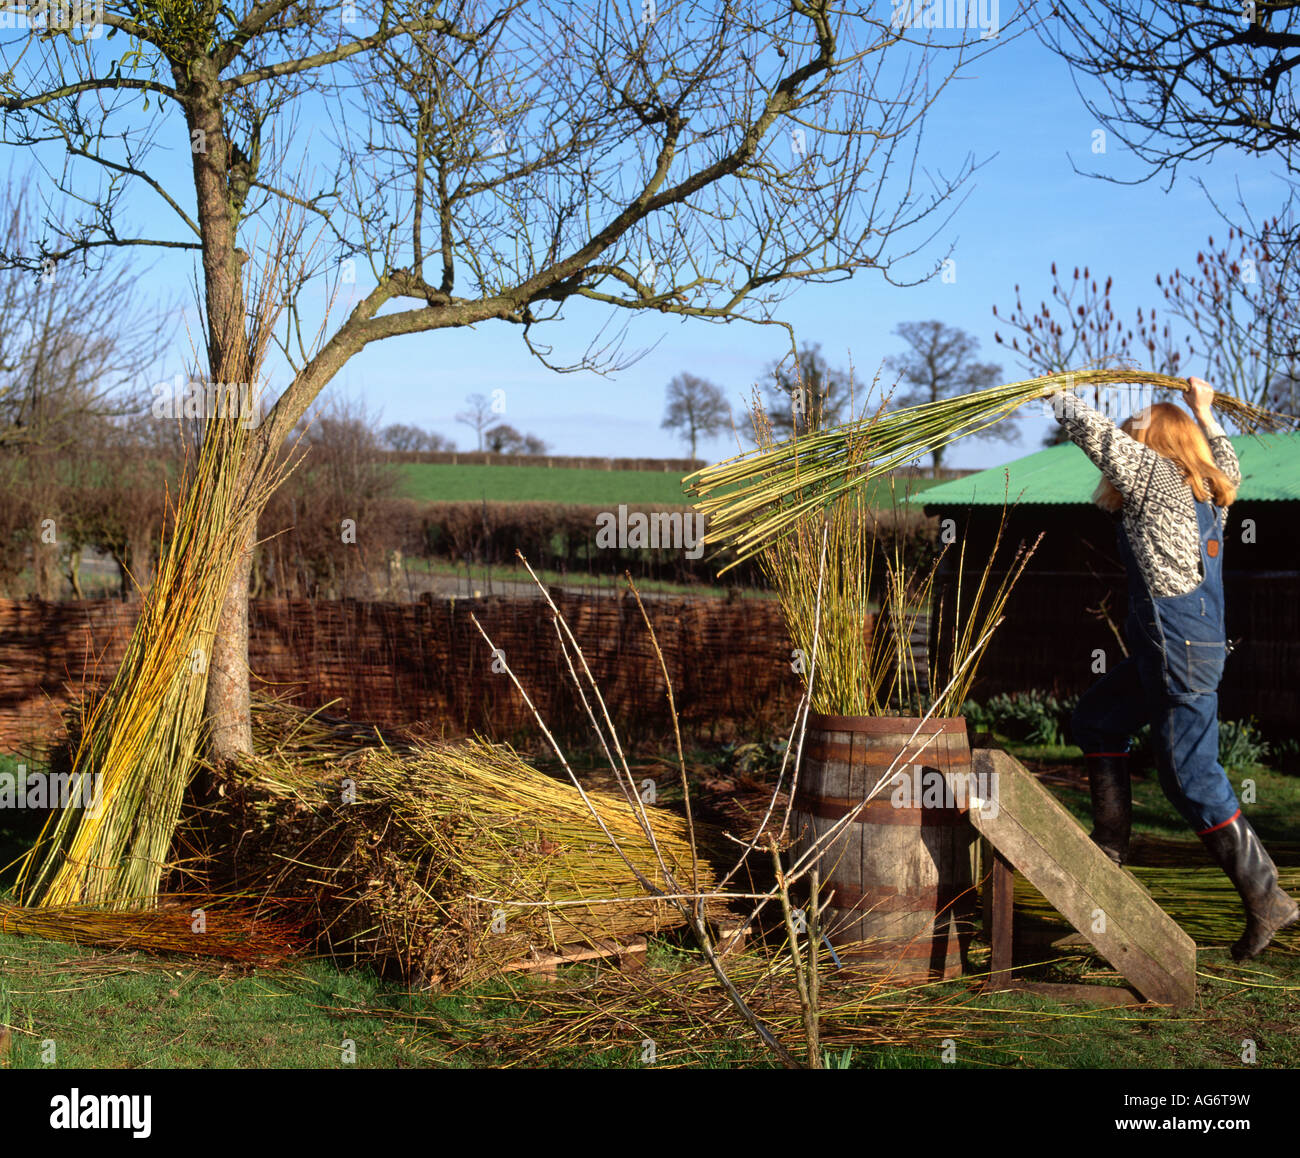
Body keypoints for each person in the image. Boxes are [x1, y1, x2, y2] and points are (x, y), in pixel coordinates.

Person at [1047, 376, 1298, 961]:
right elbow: (1227, 457)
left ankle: (1268, 899)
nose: (1131, 438)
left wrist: (1058, 394)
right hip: (1178, 650)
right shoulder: (1212, 496)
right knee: (1098, 718)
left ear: (1157, 443)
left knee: (1189, 776)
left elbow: (1097, 436)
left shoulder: (1158, 482)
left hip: (1180, 651)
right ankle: (1108, 854)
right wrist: (1205, 410)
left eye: (1140, 432)